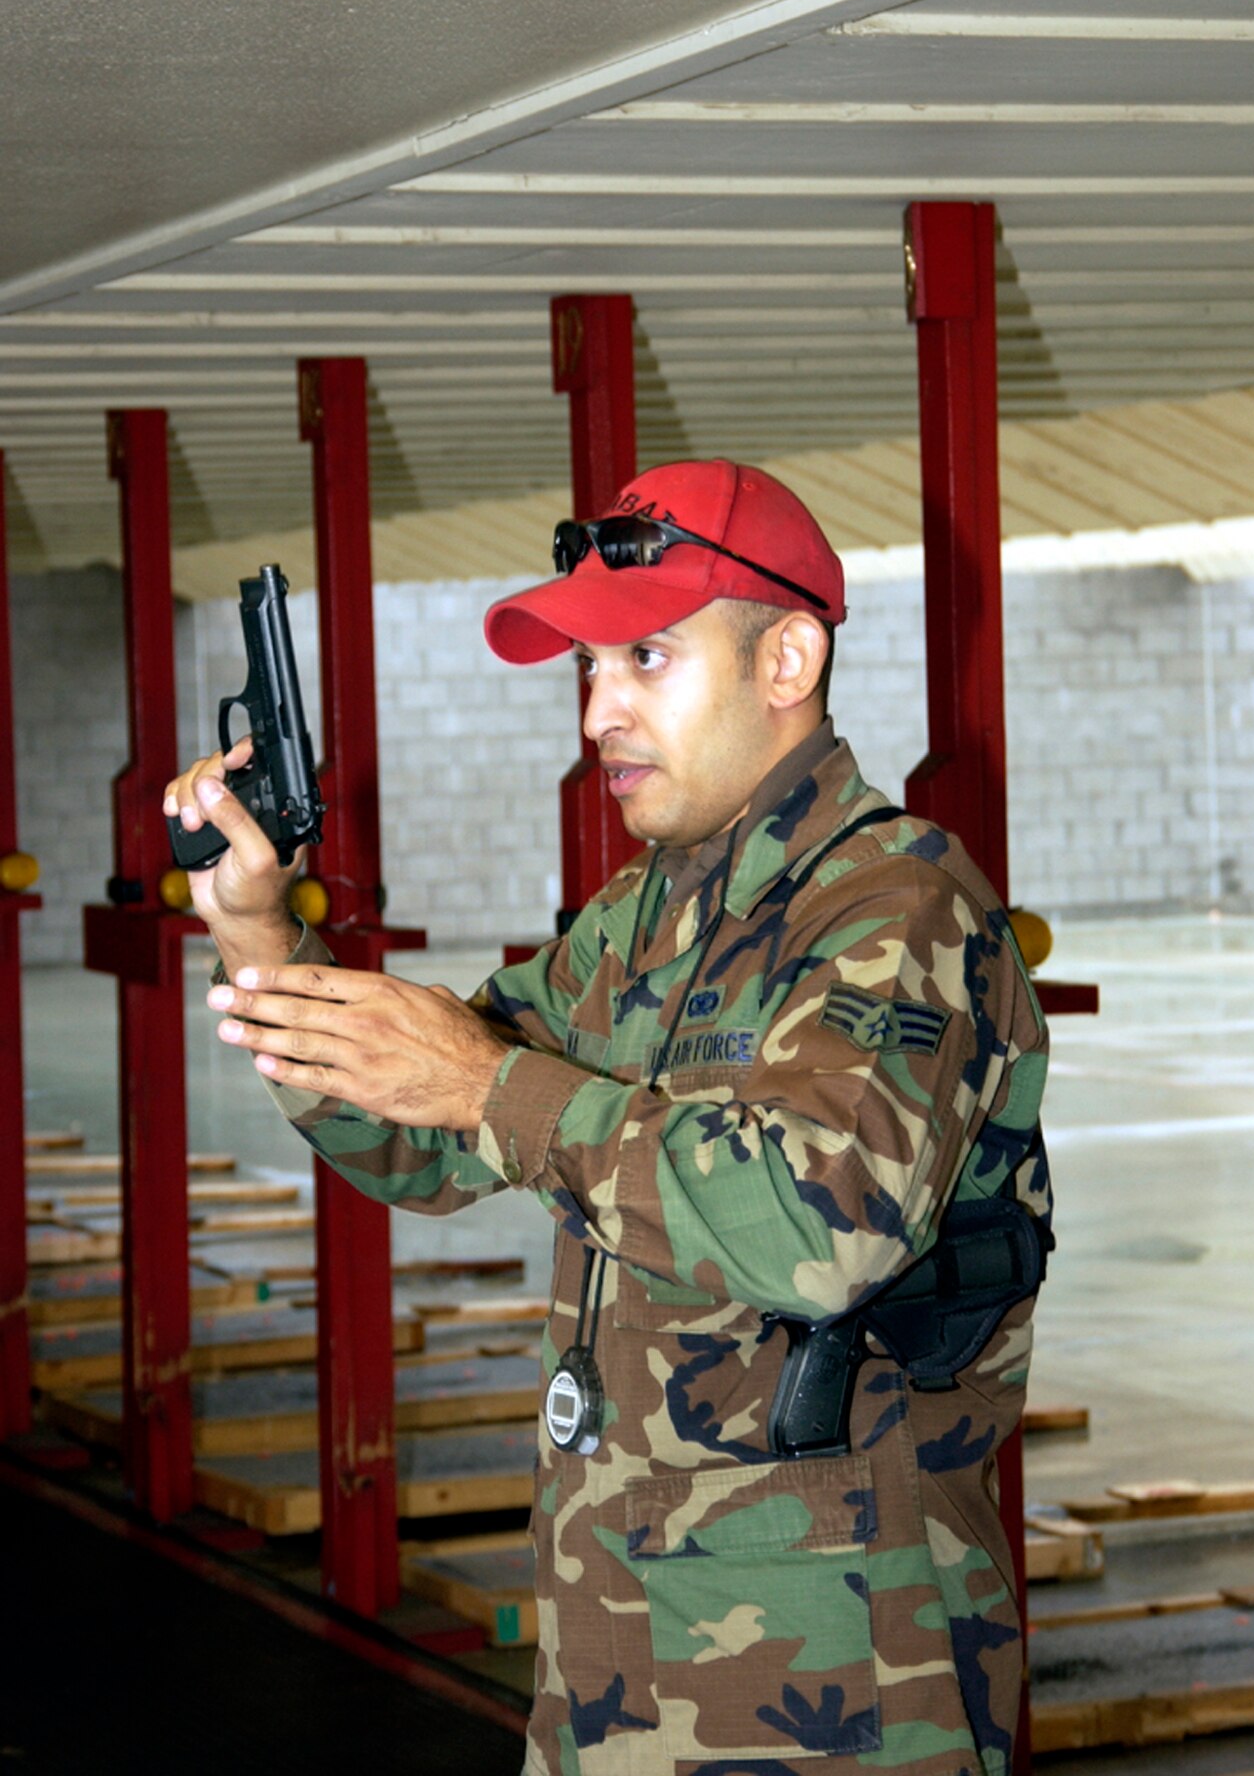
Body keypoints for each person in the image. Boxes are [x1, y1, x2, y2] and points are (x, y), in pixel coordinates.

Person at [166, 458, 1051, 1776]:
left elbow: (822, 1227)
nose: (600, 713)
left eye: (645, 655)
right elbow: (421, 1139)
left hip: (842, 1684)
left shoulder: (894, 907)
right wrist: (252, 930)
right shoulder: (639, 921)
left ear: (787, 658)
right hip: (610, 1669)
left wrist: (482, 1079)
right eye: (590, 669)